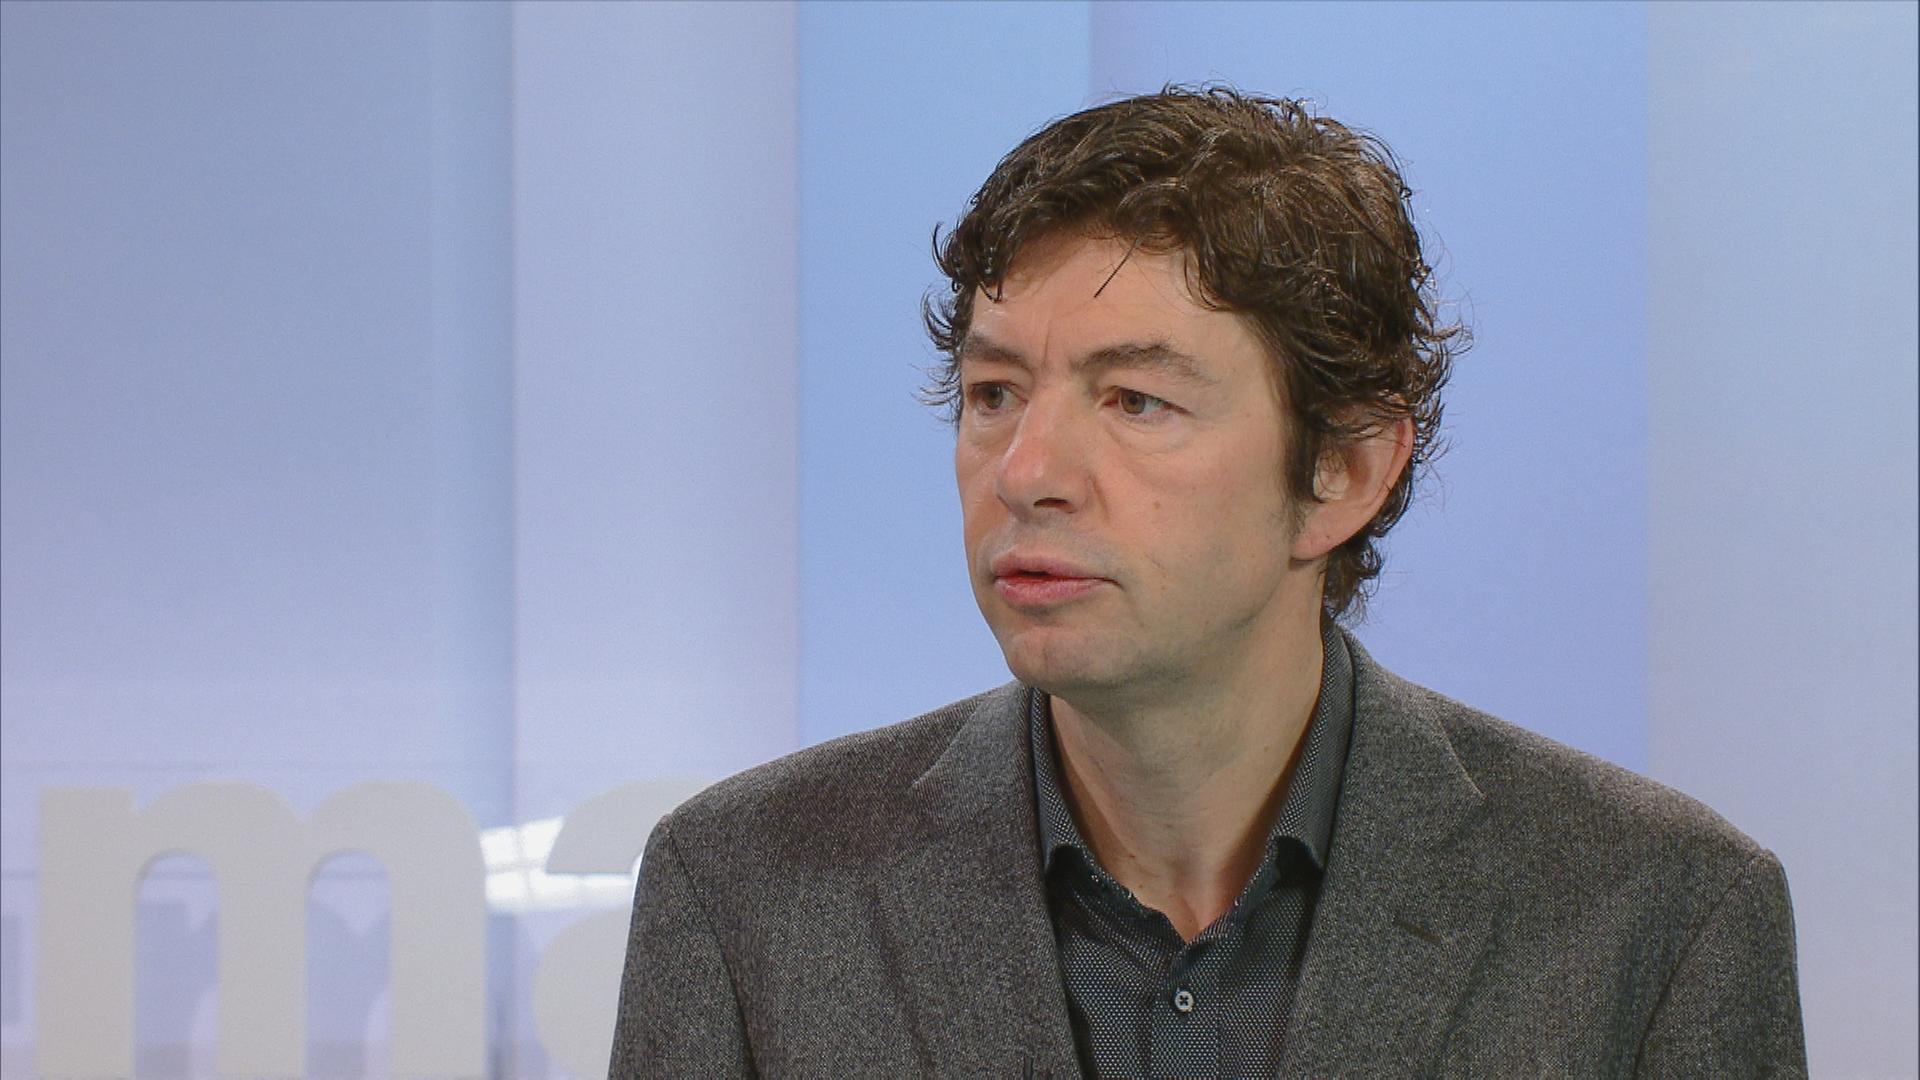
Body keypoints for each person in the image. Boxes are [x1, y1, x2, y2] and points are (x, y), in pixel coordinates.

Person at [610, 86, 1806, 1077]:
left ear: (1344, 470)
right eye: (994, 395)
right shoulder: (744, 889)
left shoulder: (1661, 914)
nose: (1027, 473)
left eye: (1137, 401)